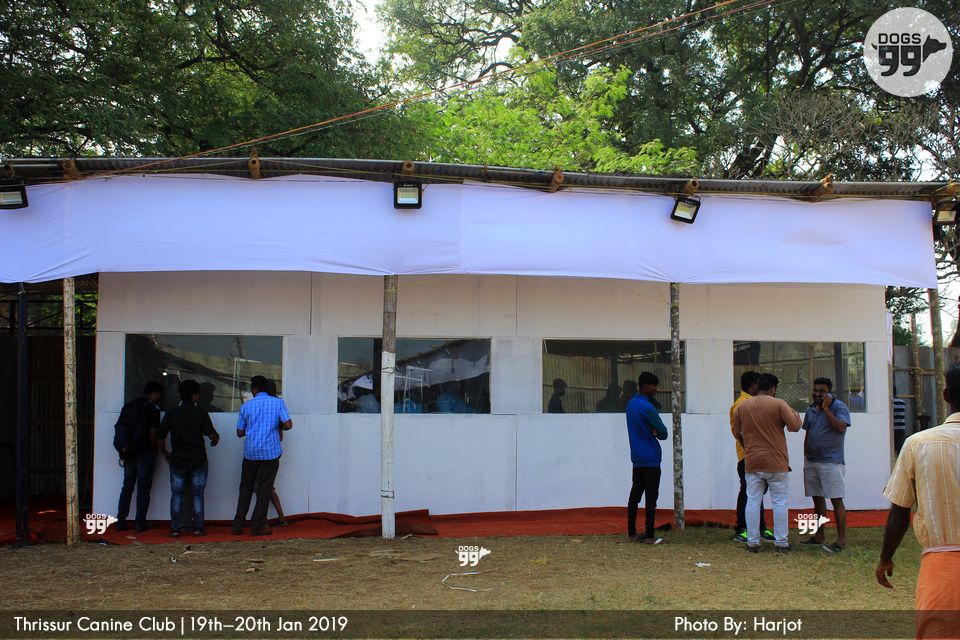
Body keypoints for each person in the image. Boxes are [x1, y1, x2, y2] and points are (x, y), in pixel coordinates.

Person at [877, 362, 960, 639]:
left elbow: (900, 511)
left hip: (941, 569)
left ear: (946, 395)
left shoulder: (917, 444)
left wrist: (885, 558)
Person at [733, 373, 802, 553]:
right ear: (773, 389)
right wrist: (792, 410)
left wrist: (748, 449)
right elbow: (795, 426)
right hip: (776, 461)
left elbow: (737, 433)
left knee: (752, 501)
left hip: (752, 461)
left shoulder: (742, 406)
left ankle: (753, 542)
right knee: (779, 502)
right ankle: (781, 542)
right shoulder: (779, 404)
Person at [156, 379, 220, 537]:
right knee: (197, 495)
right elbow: (212, 434)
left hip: (178, 460)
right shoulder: (200, 412)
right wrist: (215, 438)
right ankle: (198, 528)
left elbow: (161, 436)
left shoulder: (172, 413)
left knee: (177, 494)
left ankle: (175, 529)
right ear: (195, 395)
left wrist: (165, 452)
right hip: (198, 460)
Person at [232, 375, 293, 536]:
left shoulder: (246, 406)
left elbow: (239, 432)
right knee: (264, 489)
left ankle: (238, 525)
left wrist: (252, 427)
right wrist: (275, 425)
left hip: (251, 453)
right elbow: (288, 424)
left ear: (254, 389)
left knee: (245, 489)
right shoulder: (278, 403)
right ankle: (257, 526)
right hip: (270, 453)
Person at [800, 377, 851, 553]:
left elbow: (841, 427)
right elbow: (808, 434)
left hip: (831, 462)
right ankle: (819, 536)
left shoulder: (839, 407)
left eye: (821, 391)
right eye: (815, 390)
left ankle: (841, 541)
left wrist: (826, 409)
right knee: (817, 499)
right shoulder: (810, 410)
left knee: (836, 500)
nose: (817, 394)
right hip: (812, 461)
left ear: (829, 392)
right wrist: (806, 457)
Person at [626, 372, 669, 544]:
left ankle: (631, 532)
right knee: (651, 498)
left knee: (635, 495)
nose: (656, 389)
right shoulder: (648, 408)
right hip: (651, 457)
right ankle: (650, 534)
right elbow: (664, 433)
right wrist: (656, 432)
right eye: (653, 386)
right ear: (645, 386)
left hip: (636, 457)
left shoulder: (630, 404)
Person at [116, 381, 163, 532]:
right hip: (145, 452)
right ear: (154, 393)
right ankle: (139, 523)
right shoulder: (153, 409)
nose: (159, 397)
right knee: (143, 488)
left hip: (128, 452)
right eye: (159, 394)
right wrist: (155, 450)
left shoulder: (129, 406)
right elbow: (153, 434)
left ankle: (121, 521)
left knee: (127, 487)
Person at [729, 371, 772, 543]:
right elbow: (738, 432)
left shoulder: (752, 402)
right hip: (747, 455)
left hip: (757, 454)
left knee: (757, 492)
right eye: (759, 385)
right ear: (753, 385)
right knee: (747, 492)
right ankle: (742, 528)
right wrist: (751, 449)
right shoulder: (741, 404)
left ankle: (760, 527)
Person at [892, 387, 907, 455]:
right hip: (901, 428)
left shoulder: (891, 403)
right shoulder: (902, 402)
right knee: (900, 449)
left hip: (893, 428)